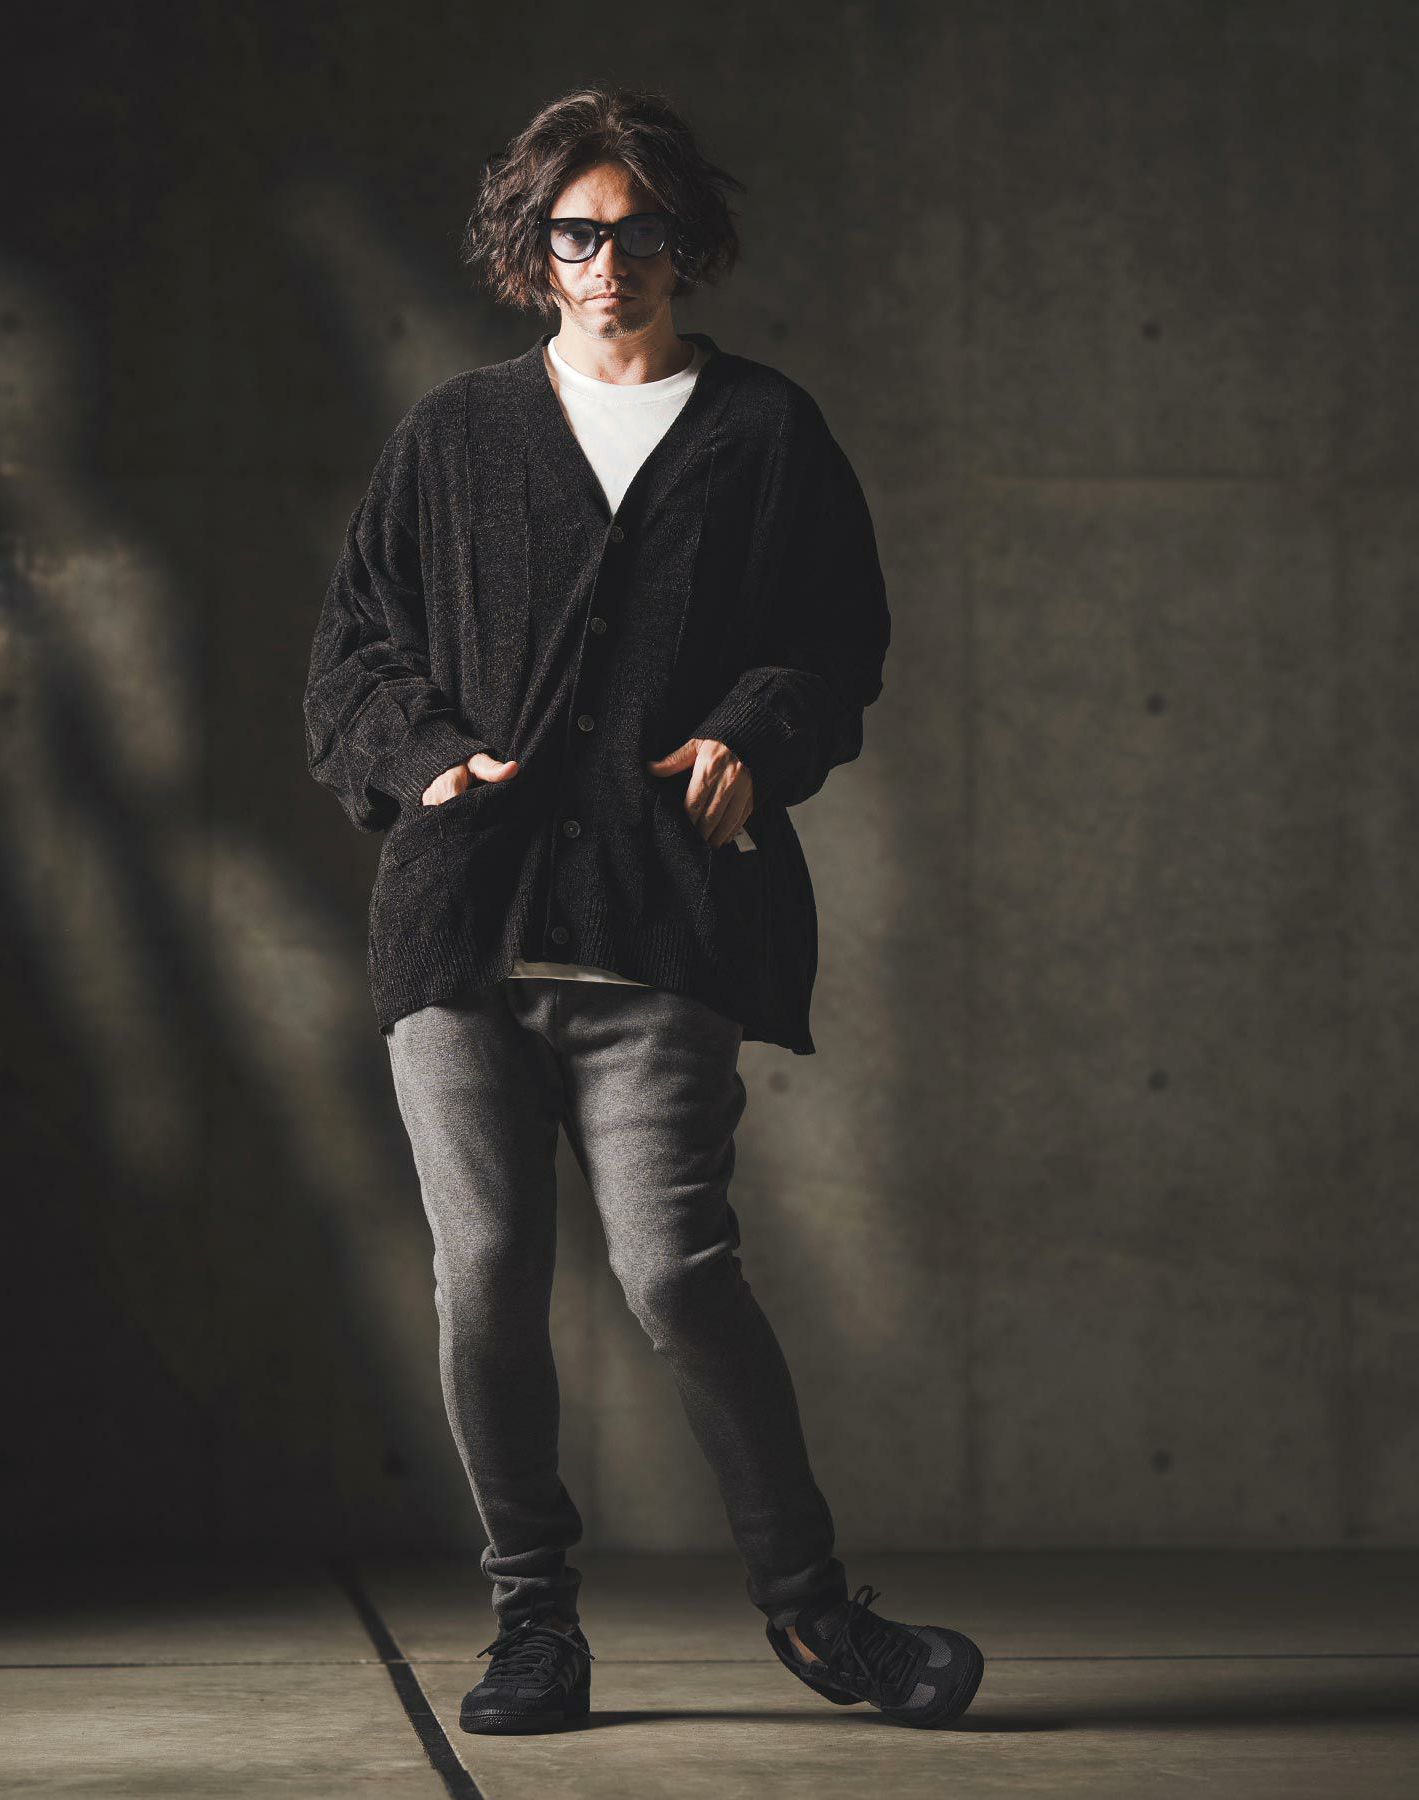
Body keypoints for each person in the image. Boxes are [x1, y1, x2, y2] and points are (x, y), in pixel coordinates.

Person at [303, 84, 984, 1735]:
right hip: (461, 931)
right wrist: (430, 759)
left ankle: (814, 1615)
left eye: (639, 232)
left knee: (677, 1271)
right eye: (577, 234)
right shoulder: (453, 437)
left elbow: (836, 646)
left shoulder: (764, 433)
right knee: (485, 1273)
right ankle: (533, 1624)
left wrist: (758, 731)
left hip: (658, 923)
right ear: (532, 248)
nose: (609, 263)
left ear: (687, 242)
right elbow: (352, 659)